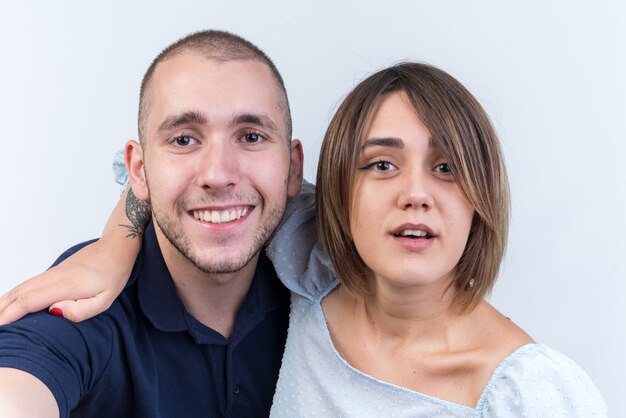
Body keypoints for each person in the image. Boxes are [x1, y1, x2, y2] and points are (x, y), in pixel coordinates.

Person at [0, 63, 607, 415]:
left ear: (483, 192)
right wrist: (115, 246)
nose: (415, 193)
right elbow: (198, 189)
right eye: (381, 165)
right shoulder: (309, 259)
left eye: (447, 167)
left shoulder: (534, 395)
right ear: (340, 193)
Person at [0, 29, 305, 417]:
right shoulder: (87, 301)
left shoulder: (320, 280)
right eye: (183, 140)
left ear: (294, 167)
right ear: (138, 171)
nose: (218, 174)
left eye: (250, 136)